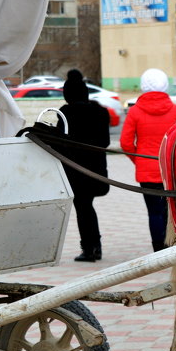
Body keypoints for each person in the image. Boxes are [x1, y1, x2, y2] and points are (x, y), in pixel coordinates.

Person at [120, 68, 176, 251]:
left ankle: (158, 248)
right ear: (165, 85)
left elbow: (126, 143)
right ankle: (171, 245)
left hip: (147, 171)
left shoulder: (135, 112)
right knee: (169, 212)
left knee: (153, 212)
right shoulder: (175, 110)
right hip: (170, 170)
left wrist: (138, 160)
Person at [55, 70, 111, 262]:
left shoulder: (66, 112)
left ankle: (90, 248)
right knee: (86, 207)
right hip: (96, 171)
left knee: (83, 207)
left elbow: (60, 142)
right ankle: (94, 247)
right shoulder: (100, 112)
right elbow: (105, 142)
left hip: (76, 172)